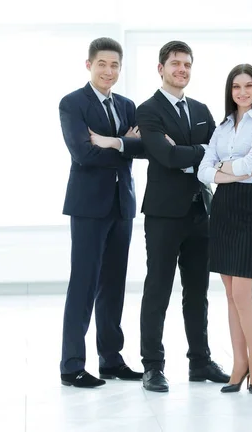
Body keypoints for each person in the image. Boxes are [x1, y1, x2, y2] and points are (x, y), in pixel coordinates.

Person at [136, 40, 229, 393]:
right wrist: (201, 153)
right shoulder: (148, 111)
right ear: (161, 68)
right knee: (157, 288)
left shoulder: (202, 109)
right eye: (175, 64)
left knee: (198, 291)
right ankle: (153, 366)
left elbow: (217, 153)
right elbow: (165, 156)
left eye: (187, 64)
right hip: (163, 214)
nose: (182, 70)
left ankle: (200, 361)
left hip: (200, 211)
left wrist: (192, 153)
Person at [59, 37, 145, 388]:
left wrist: (111, 142)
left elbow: (144, 149)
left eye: (115, 66)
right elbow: (83, 154)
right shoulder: (72, 104)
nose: (109, 71)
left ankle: (111, 359)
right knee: (84, 283)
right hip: (88, 206)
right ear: (89, 65)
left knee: (114, 284)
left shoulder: (127, 105)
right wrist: (124, 143)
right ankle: (71, 365)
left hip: (121, 204)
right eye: (102, 64)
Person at [198, 64, 252, 394]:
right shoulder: (223, 126)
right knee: (230, 295)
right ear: (229, 92)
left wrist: (222, 168)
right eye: (236, 87)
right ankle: (239, 364)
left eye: (248, 85)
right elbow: (203, 170)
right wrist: (229, 172)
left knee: (242, 293)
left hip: (250, 207)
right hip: (223, 207)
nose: (242, 92)